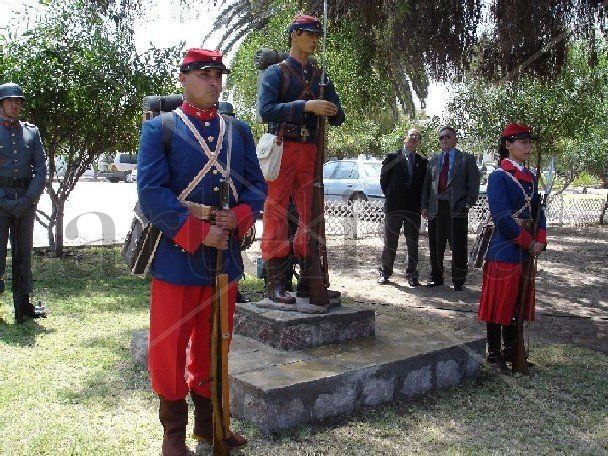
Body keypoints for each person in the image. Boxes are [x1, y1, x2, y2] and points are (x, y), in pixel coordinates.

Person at [137, 49, 267, 455]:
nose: (214, 81)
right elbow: (152, 195)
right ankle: (173, 434)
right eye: (205, 74)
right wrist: (198, 232)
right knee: (169, 346)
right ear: (184, 79)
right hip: (177, 258)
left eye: (218, 75)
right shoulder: (161, 129)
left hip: (223, 259)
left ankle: (212, 424)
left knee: (216, 342)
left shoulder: (238, 131)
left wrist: (241, 215)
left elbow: (256, 187)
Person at [257, 12, 345, 305]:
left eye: (317, 35)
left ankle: (310, 281)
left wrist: (331, 108)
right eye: (309, 34)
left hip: (310, 151)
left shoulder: (321, 76)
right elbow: (266, 111)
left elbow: (338, 116)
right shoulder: (275, 73)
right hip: (283, 148)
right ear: (294, 34)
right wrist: (306, 105)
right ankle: (276, 283)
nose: (315, 40)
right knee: (276, 213)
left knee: (310, 214)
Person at [477, 123, 546, 371]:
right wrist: (529, 242)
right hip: (505, 249)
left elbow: (539, 212)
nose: (527, 146)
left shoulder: (530, 177)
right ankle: (494, 354)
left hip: (526, 251)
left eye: (529, 142)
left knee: (518, 302)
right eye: (522, 141)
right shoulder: (499, 176)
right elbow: (502, 218)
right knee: (499, 303)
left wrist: (541, 239)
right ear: (508, 145)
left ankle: (512, 350)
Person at [0, 82, 47, 324]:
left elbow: (40, 169)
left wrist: (28, 198)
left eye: (18, 101)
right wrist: (4, 201)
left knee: (23, 255)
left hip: (25, 204)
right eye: (10, 101)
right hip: (0, 204)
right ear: (1, 104)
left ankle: (24, 306)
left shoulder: (31, 132)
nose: (14, 105)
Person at [421, 126, 480, 291]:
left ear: (455, 139)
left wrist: (468, 203)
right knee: (436, 245)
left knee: (458, 246)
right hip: (436, 207)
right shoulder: (433, 160)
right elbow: (427, 185)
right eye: (441, 138)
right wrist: (424, 206)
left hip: (457, 208)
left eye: (447, 136)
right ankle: (437, 277)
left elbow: (473, 183)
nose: (444, 139)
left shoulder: (466, 159)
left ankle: (459, 280)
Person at [378, 128, 428, 287]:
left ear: (419, 142)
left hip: (413, 208)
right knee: (390, 242)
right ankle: (385, 273)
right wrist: (392, 196)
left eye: (417, 137)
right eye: (412, 136)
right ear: (404, 138)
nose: (414, 139)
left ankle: (412, 275)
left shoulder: (422, 161)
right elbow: (384, 180)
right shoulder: (393, 157)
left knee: (412, 242)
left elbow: (423, 186)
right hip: (394, 207)